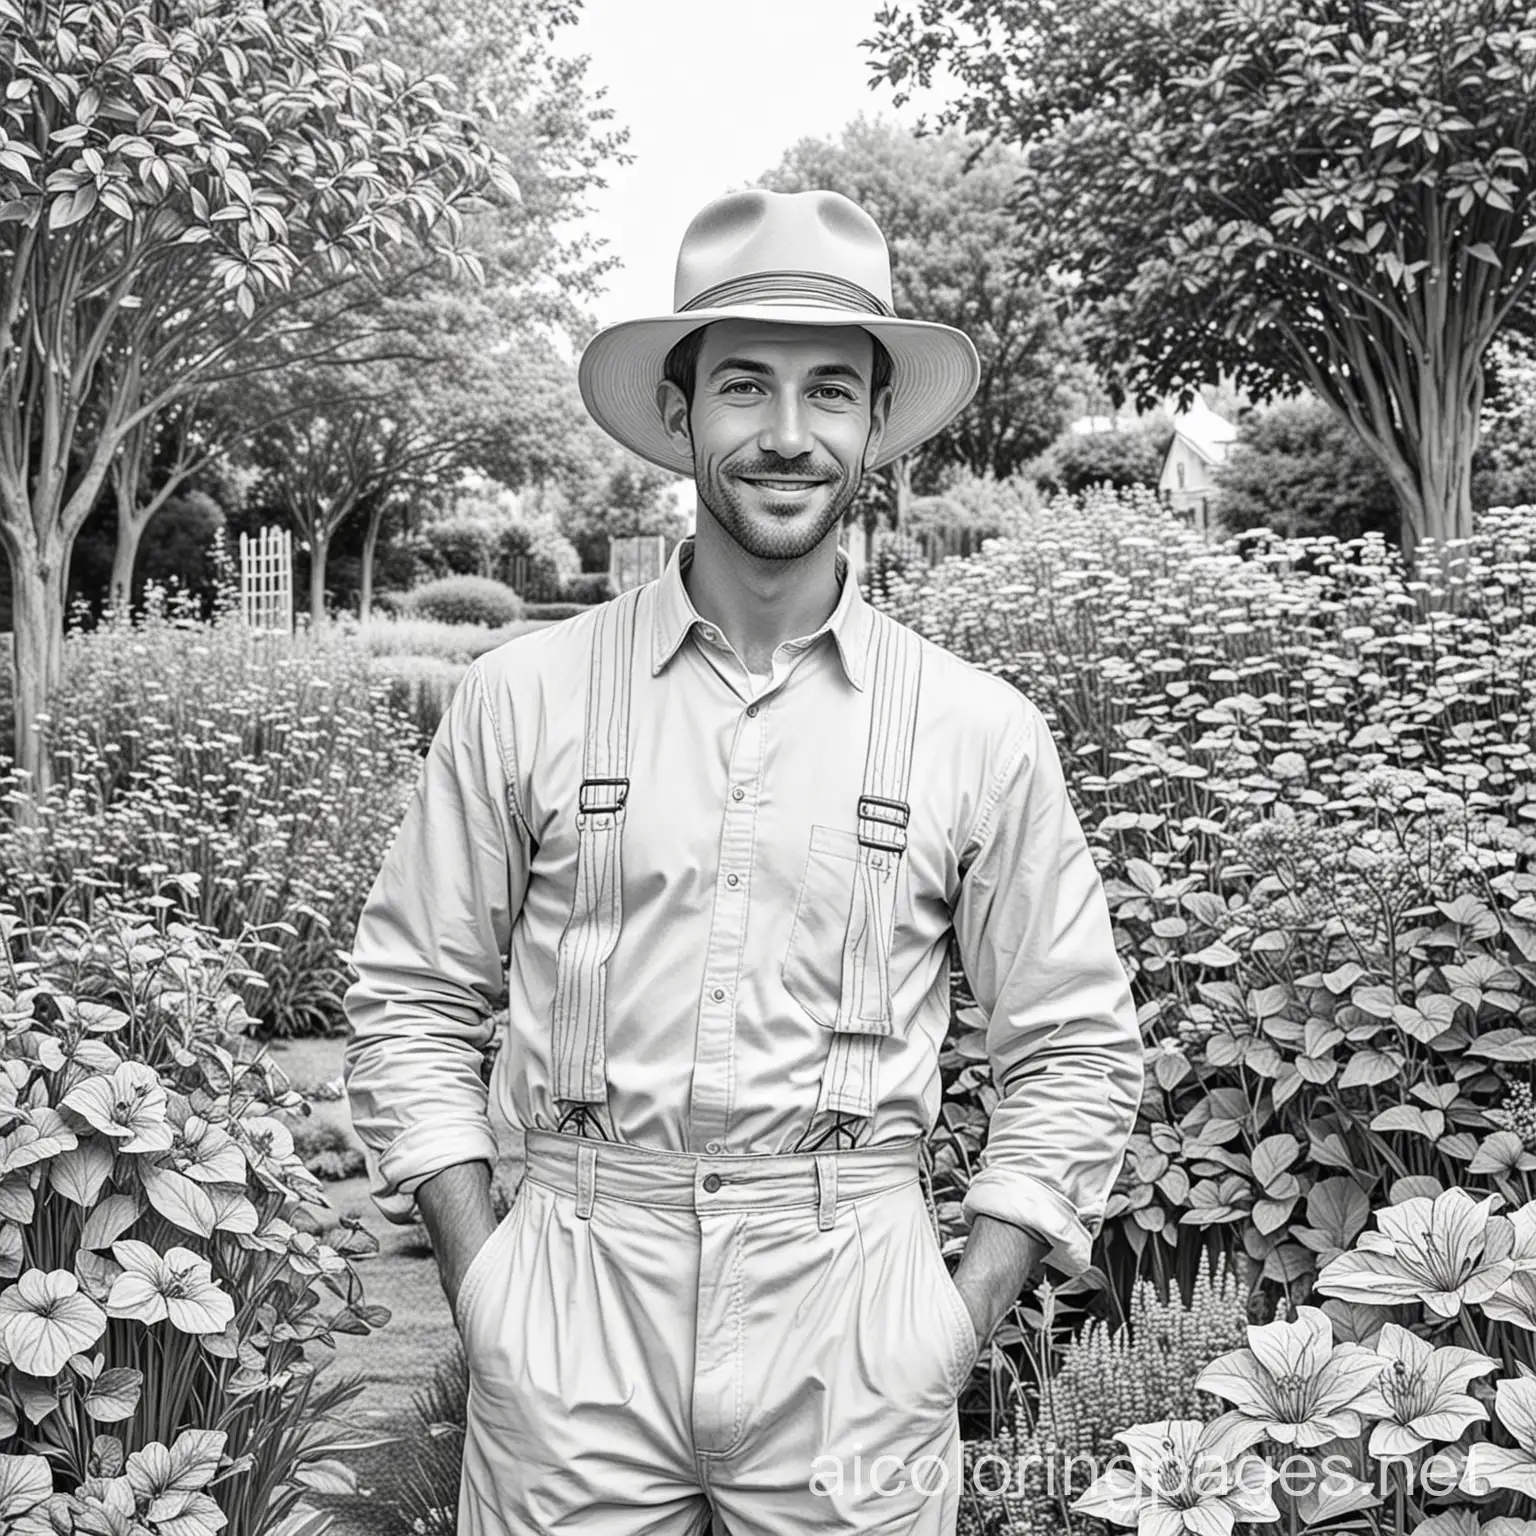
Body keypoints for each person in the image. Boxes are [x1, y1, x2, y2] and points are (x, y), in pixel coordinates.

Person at [343, 187, 1145, 1536]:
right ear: (680, 412)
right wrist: (485, 1281)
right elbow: (412, 998)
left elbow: (1072, 1046)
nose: (787, 434)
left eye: (831, 390)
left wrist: (954, 1322)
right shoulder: (523, 697)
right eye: (744, 387)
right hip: (575, 1296)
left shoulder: (976, 729)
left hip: (856, 1312)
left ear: (876, 422)